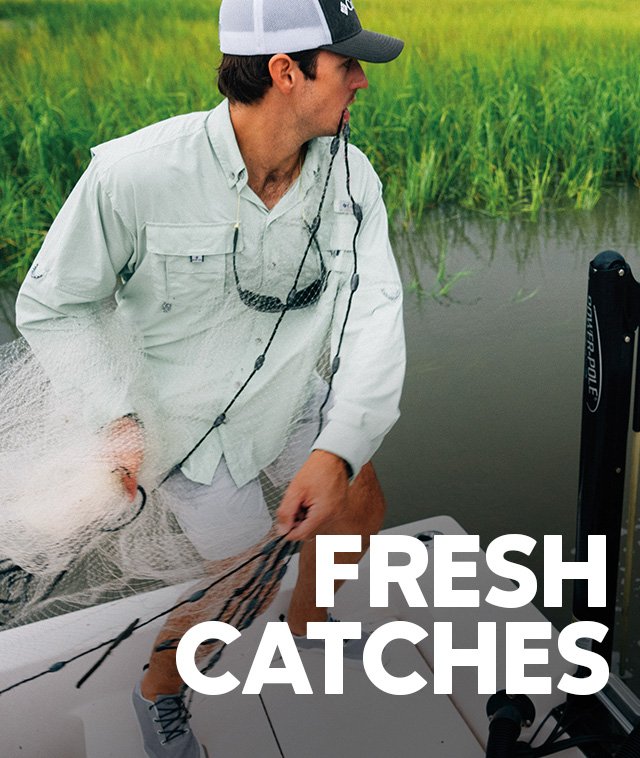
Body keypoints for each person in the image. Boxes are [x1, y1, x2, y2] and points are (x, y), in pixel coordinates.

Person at [15, 0, 405, 755]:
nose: (362, 82)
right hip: (185, 426)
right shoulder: (133, 173)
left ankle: (307, 632)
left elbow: (375, 309)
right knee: (234, 590)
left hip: (291, 398)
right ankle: (159, 694)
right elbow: (53, 303)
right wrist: (112, 418)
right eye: (347, 64)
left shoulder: (352, 175)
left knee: (359, 504)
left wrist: (341, 444)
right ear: (287, 72)